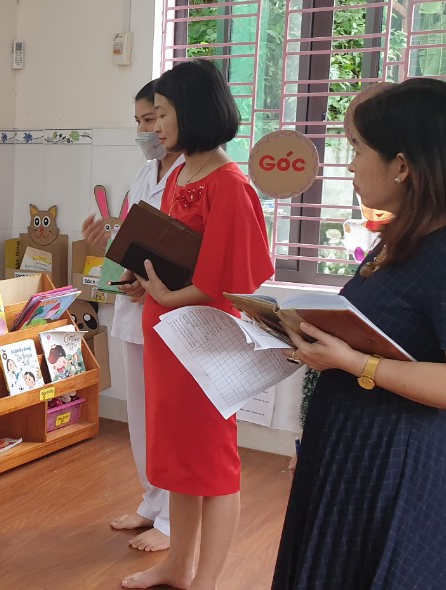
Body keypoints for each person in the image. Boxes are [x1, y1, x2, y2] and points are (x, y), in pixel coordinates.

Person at [273, 78, 446, 588]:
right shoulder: (408, 235)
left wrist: (354, 362)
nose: (350, 166)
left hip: (397, 464)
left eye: (358, 150)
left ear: (402, 165)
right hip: (351, 446)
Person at [121, 59, 275, 590]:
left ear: (192, 111)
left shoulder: (229, 183)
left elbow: (234, 278)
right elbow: (176, 253)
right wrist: (145, 280)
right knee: (180, 462)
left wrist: (169, 294)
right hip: (166, 334)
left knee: (212, 467)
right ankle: (177, 566)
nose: (156, 126)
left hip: (204, 342)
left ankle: (204, 579)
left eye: (162, 114)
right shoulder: (182, 173)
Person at [82, 79, 185, 552]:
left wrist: (150, 279)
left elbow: (185, 251)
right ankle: (152, 502)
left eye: (153, 119)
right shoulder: (146, 173)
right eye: (141, 121)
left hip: (170, 312)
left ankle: (173, 520)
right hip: (134, 307)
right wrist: (107, 241)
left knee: (169, 421)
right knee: (141, 417)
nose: (147, 130)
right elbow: (136, 240)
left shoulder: (194, 174)